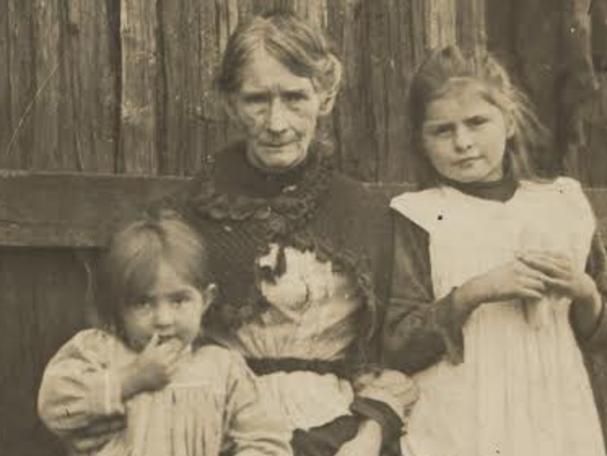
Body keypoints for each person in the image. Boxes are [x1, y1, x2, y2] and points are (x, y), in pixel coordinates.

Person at [146, 11, 417, 456]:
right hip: (216, 426)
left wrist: (368, 436)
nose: (276, 123)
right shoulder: (181, 216)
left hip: (337, 429)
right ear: (231, 102)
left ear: (324, 98)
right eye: (257, 100)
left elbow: (394, 354)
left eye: (295, 97)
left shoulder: (366, 214)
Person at [383, 45, 607, 456]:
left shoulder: (562, 205)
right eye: (442, 130)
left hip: (554, 409)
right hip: (462, 413)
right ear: (421, 140)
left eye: (477, 122)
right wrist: (474, 292)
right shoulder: (418, 216)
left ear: (509, 121)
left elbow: (599, 334)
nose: (463, 142)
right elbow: (397, 342)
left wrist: (585, 291)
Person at [37, 211, 292, 455]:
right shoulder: (99, 353)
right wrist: (128, 380)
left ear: (205, 300)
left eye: (179, 300)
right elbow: (54, 407)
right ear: (119, 308)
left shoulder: (222, 369)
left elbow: (266, 440)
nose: (163, 319)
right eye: (143, 303)